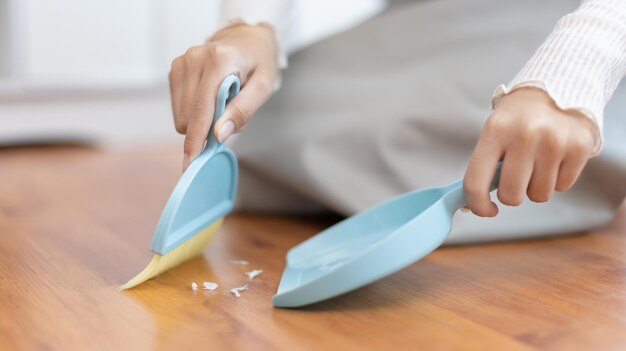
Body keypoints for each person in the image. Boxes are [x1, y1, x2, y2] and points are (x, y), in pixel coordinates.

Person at [168, 0, 626, 243]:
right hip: (423, 19)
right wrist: (250, 25)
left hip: (566, 17)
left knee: (423, 136)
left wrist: (575, 67)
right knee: (269, 120)